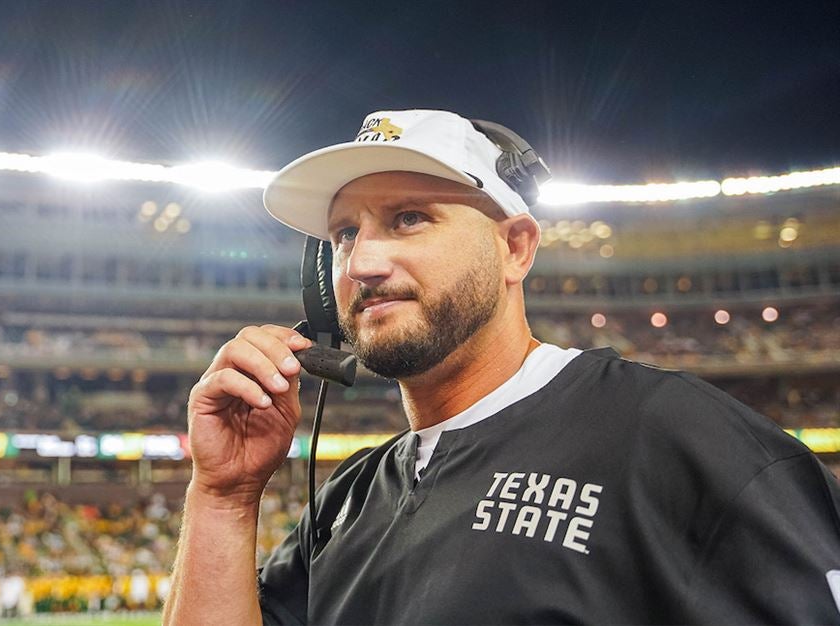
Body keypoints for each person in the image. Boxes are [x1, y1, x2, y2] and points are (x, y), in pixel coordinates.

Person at [163, 109, 840, 624]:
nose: (363, 264)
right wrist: (222, 498)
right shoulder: (348, 499)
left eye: (408, 219)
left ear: (516, 248)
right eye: (345, 233)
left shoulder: (680, 440)